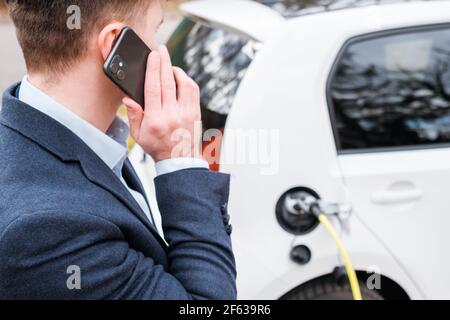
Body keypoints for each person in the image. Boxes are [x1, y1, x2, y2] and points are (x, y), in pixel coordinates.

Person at [0, 0, 236, 299]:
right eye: (156, 29)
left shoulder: (64, 136)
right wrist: (181, 159)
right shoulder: (45, 230)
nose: (159, 50)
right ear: (114, 44)